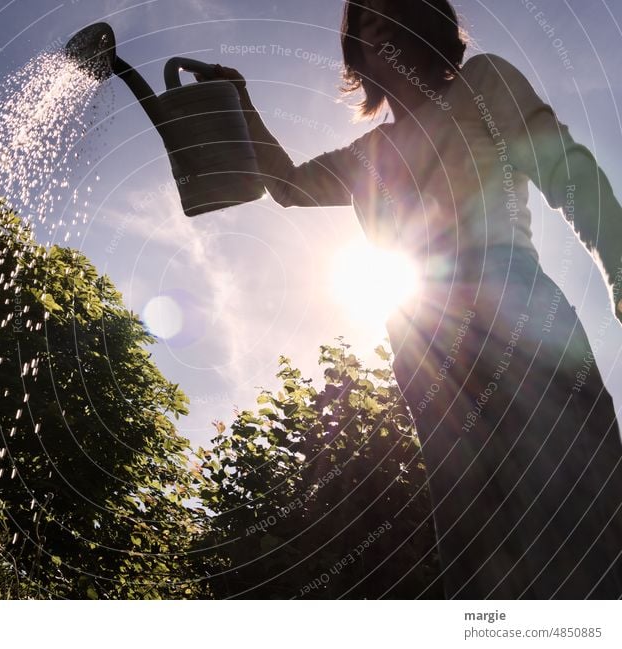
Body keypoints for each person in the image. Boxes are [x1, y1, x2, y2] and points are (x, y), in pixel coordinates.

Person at [199, 0, 622, 598]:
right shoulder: (367, 155)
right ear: (357, 54)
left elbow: (565, 170)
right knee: (476, 541)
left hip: (516, 309)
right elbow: (288, 186)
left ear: (425, 23)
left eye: (390, 9)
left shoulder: (483, 83)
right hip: (423, 343)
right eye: (364, 17)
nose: (375, 21)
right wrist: (238, 101)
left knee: (581, 503)